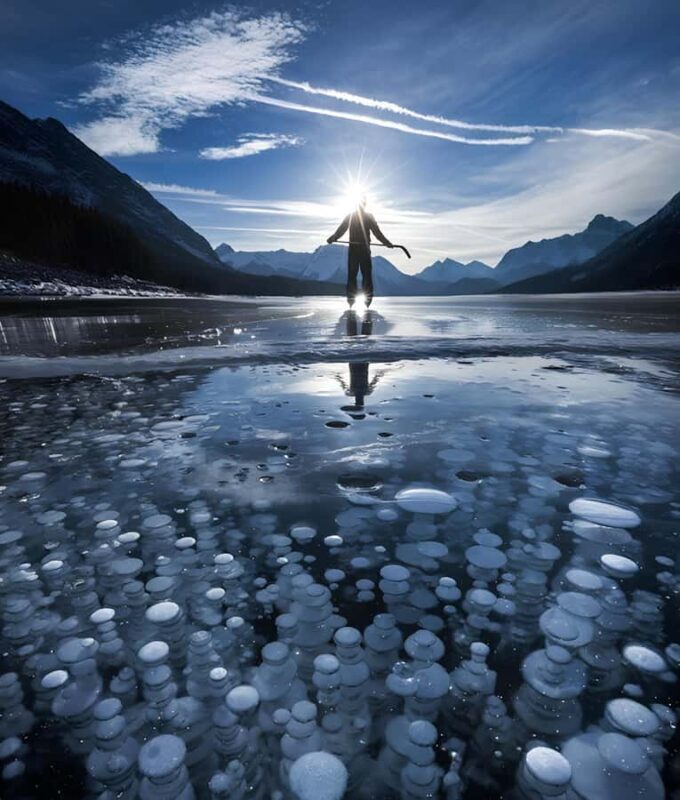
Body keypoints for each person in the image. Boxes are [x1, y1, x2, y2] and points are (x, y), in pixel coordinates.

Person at [327, 195, 394, 307]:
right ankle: (352, 301)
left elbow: (377, 233)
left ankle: (364, 301)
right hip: (357, 250)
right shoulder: (352, 216)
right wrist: (333, 237)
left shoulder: (367, 216)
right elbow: (341, 229)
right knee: (354, 275)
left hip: (363, 250)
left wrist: (387, 242)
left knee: (365, 275)